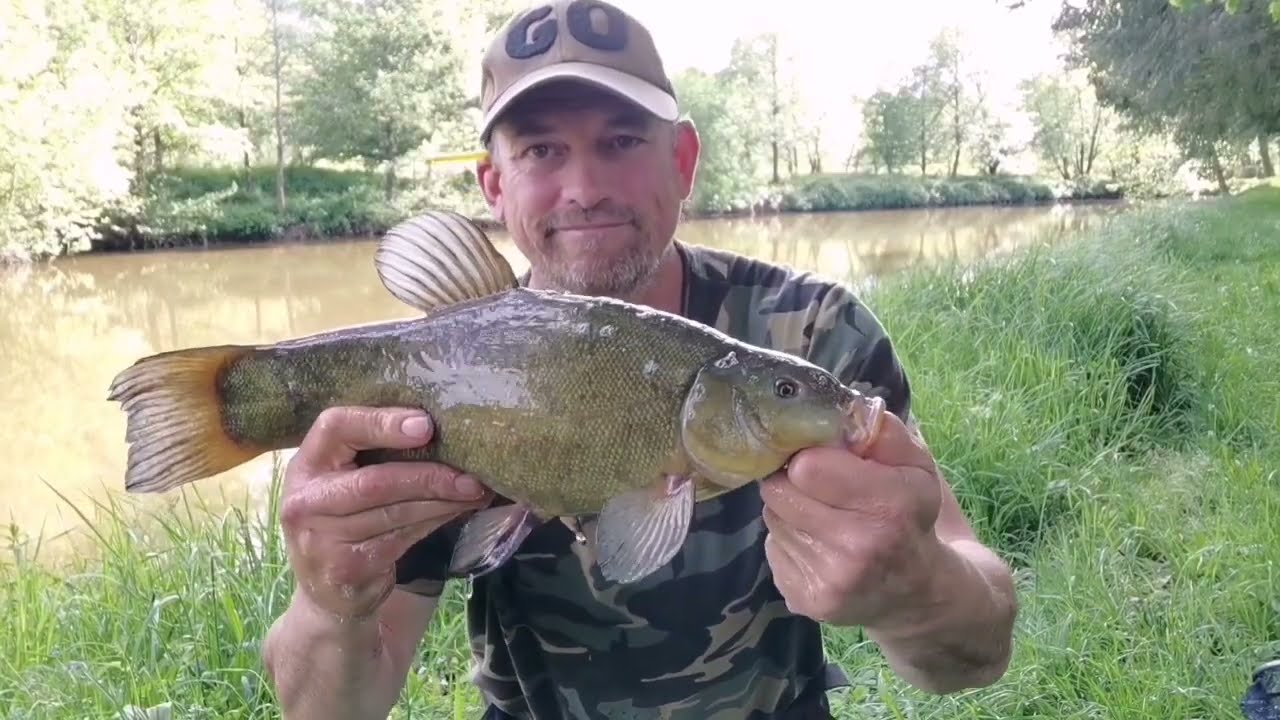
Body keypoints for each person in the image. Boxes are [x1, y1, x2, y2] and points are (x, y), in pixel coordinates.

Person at [259, 1, 1018, 717]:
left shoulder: (808, 331)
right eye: (541, 150)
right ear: (493, 185)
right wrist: (330, 600)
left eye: (620, 141)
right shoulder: (418, 393)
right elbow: (331, 707)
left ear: (682, 159)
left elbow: (974, 655)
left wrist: (916, 586)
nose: (585, 189)